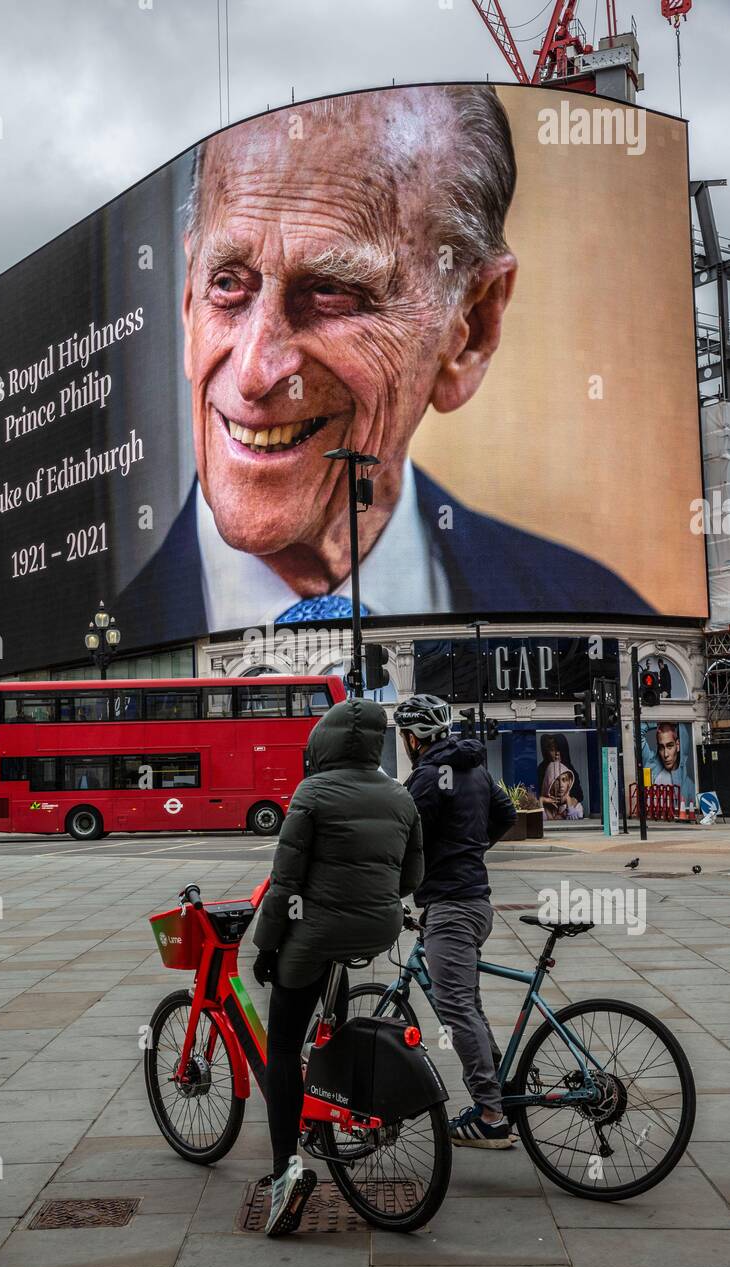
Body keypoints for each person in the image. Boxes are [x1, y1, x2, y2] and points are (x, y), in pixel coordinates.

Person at [117, 86, 652, 640]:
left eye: (331, 293)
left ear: (472, 327)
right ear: (188, 303)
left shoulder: (601, 614)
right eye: (226, 284)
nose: (254, 373)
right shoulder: (90, 639)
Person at [251, 698, 423, 1237]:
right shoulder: (400, 795)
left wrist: (265, 946)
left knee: (281, 1048)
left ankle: (284, 1172)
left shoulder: (313, 793)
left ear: (322, 743)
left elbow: (285, 883)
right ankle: (332, 1079)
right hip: (377, 929)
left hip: (317, 932)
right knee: (327, 1022)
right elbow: (412, 873)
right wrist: (372, 903)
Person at [394, 693, 517, 1149]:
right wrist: (470, 850)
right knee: (470, 1003)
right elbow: (506, 814)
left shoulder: (426, 777)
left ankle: (490, 1114)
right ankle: (500, 1086)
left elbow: (406, 840)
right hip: (476, 902)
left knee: (456, 1009)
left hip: (451, 906)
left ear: (414, 738)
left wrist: (397, 885)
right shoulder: (475, 768)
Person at [642, 722, 696, 805]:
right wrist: (658, 722)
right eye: (661, 747)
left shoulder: (689, 786)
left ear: (677, 745)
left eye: (670, 746)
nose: (665, 754)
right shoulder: (651, 764)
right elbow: (636, 733)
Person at [536, 733, 584, 806]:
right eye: (552, 750)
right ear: (547, 752)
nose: (556, 753)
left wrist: (569, 800)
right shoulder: (541, 769)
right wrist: (544, 800)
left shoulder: (570, 768)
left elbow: (578, 795)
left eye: (559, 749)